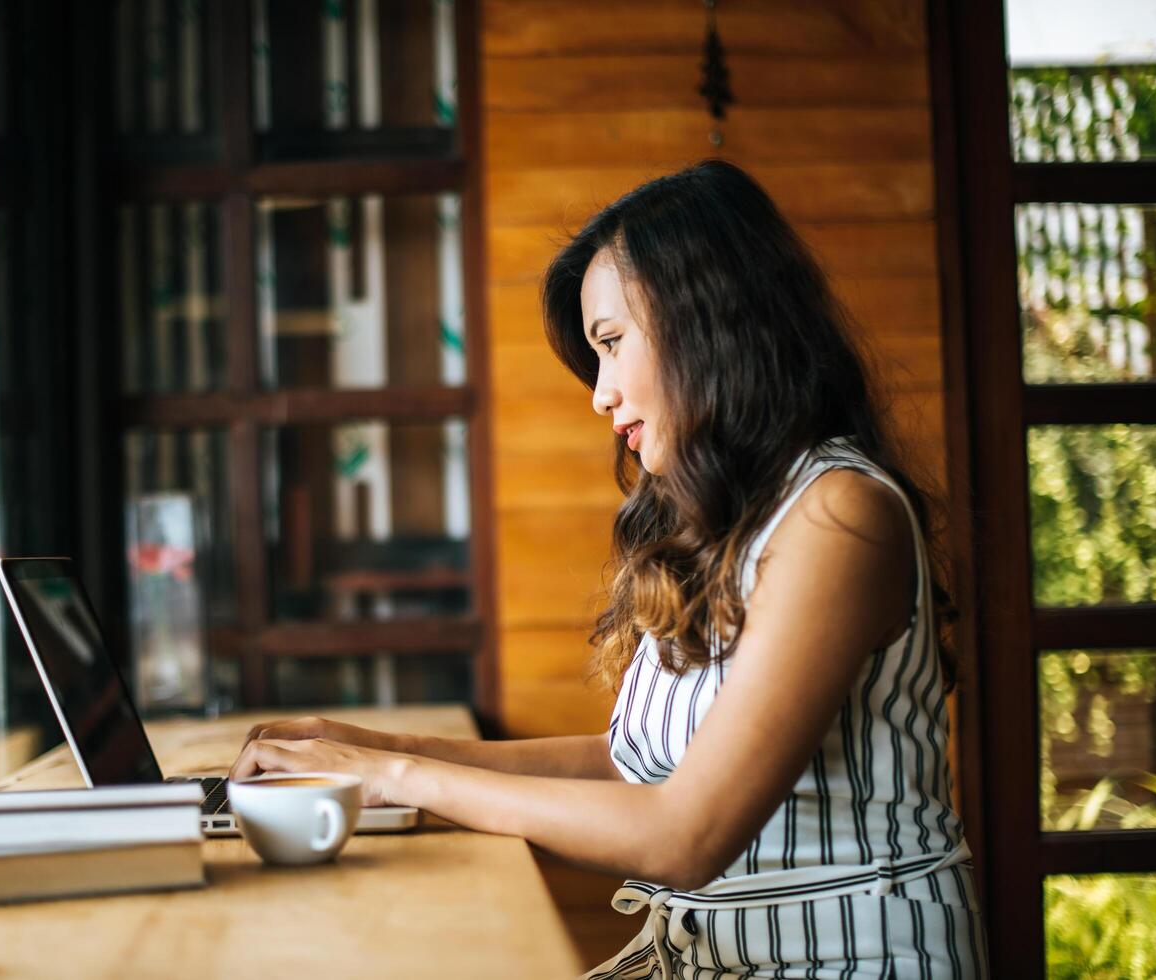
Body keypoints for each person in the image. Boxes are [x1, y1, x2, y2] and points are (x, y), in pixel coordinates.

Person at [228, 160, 988, 978]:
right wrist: (362, 749)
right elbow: (630, 762)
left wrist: (395, 776)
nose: (598, 393)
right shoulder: (723, 518)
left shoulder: (841, 517)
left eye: (611, 344)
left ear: (710, 325)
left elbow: (683, 834)